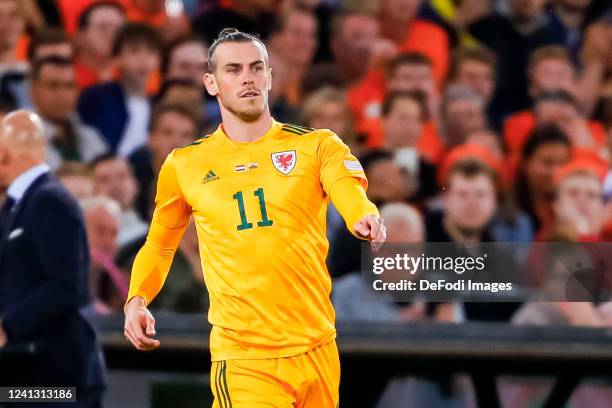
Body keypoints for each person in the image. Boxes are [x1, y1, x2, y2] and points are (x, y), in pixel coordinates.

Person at [123, 28, 386, 407]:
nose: (247, 77)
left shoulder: (316, 145)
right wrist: (137, 299)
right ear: (211, 83)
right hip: (245, 356)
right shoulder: (185, 164)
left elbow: (347, 186)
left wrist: (363, 215)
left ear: (270, 77)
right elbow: (160, 245)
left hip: (318, 348)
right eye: (233, 69)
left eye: (256, 67)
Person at [0, 110, 106, 404]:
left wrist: (7, 327)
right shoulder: (19, 204)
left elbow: (65, 285)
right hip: (26, 374)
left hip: (57, 379)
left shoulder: (49, 200)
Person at [78, 22, 163, 157]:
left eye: (151, 51)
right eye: (134, 51)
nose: (143, 59)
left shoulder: (159, 103)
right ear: (117, 58)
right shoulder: (97, 97)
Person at [30, 56, 109, 170]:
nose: (62, 94)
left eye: (69, 86)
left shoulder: (91, 136)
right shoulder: (20, 142)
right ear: (32, 91)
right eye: (53, 86)